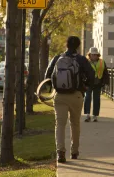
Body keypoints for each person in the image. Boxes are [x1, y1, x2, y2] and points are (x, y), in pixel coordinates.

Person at [45, 36, 94, 164]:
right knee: (75, 123)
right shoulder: (82, 59)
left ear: (66, 45)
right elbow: (91, 75)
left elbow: (47, 75)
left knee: (60, 125)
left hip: (60, 96)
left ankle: (60, 152)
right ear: (78, 46)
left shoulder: (57, 58)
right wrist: (85, 86)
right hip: (76, 95)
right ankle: (74, 151)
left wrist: (54, 87)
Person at [84, 47, 109, 122]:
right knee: (87, 98)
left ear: (98, 55)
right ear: (89, 55)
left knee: (96, 99)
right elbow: (83, 72)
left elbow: (105, 73)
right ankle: (87, 114)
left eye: (95, 54)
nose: (94, 56)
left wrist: (106, 82)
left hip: (98, 83)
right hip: (88, 83)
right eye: (92, 54)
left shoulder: (102, 62)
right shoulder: (86, 62)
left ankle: (95, 115)